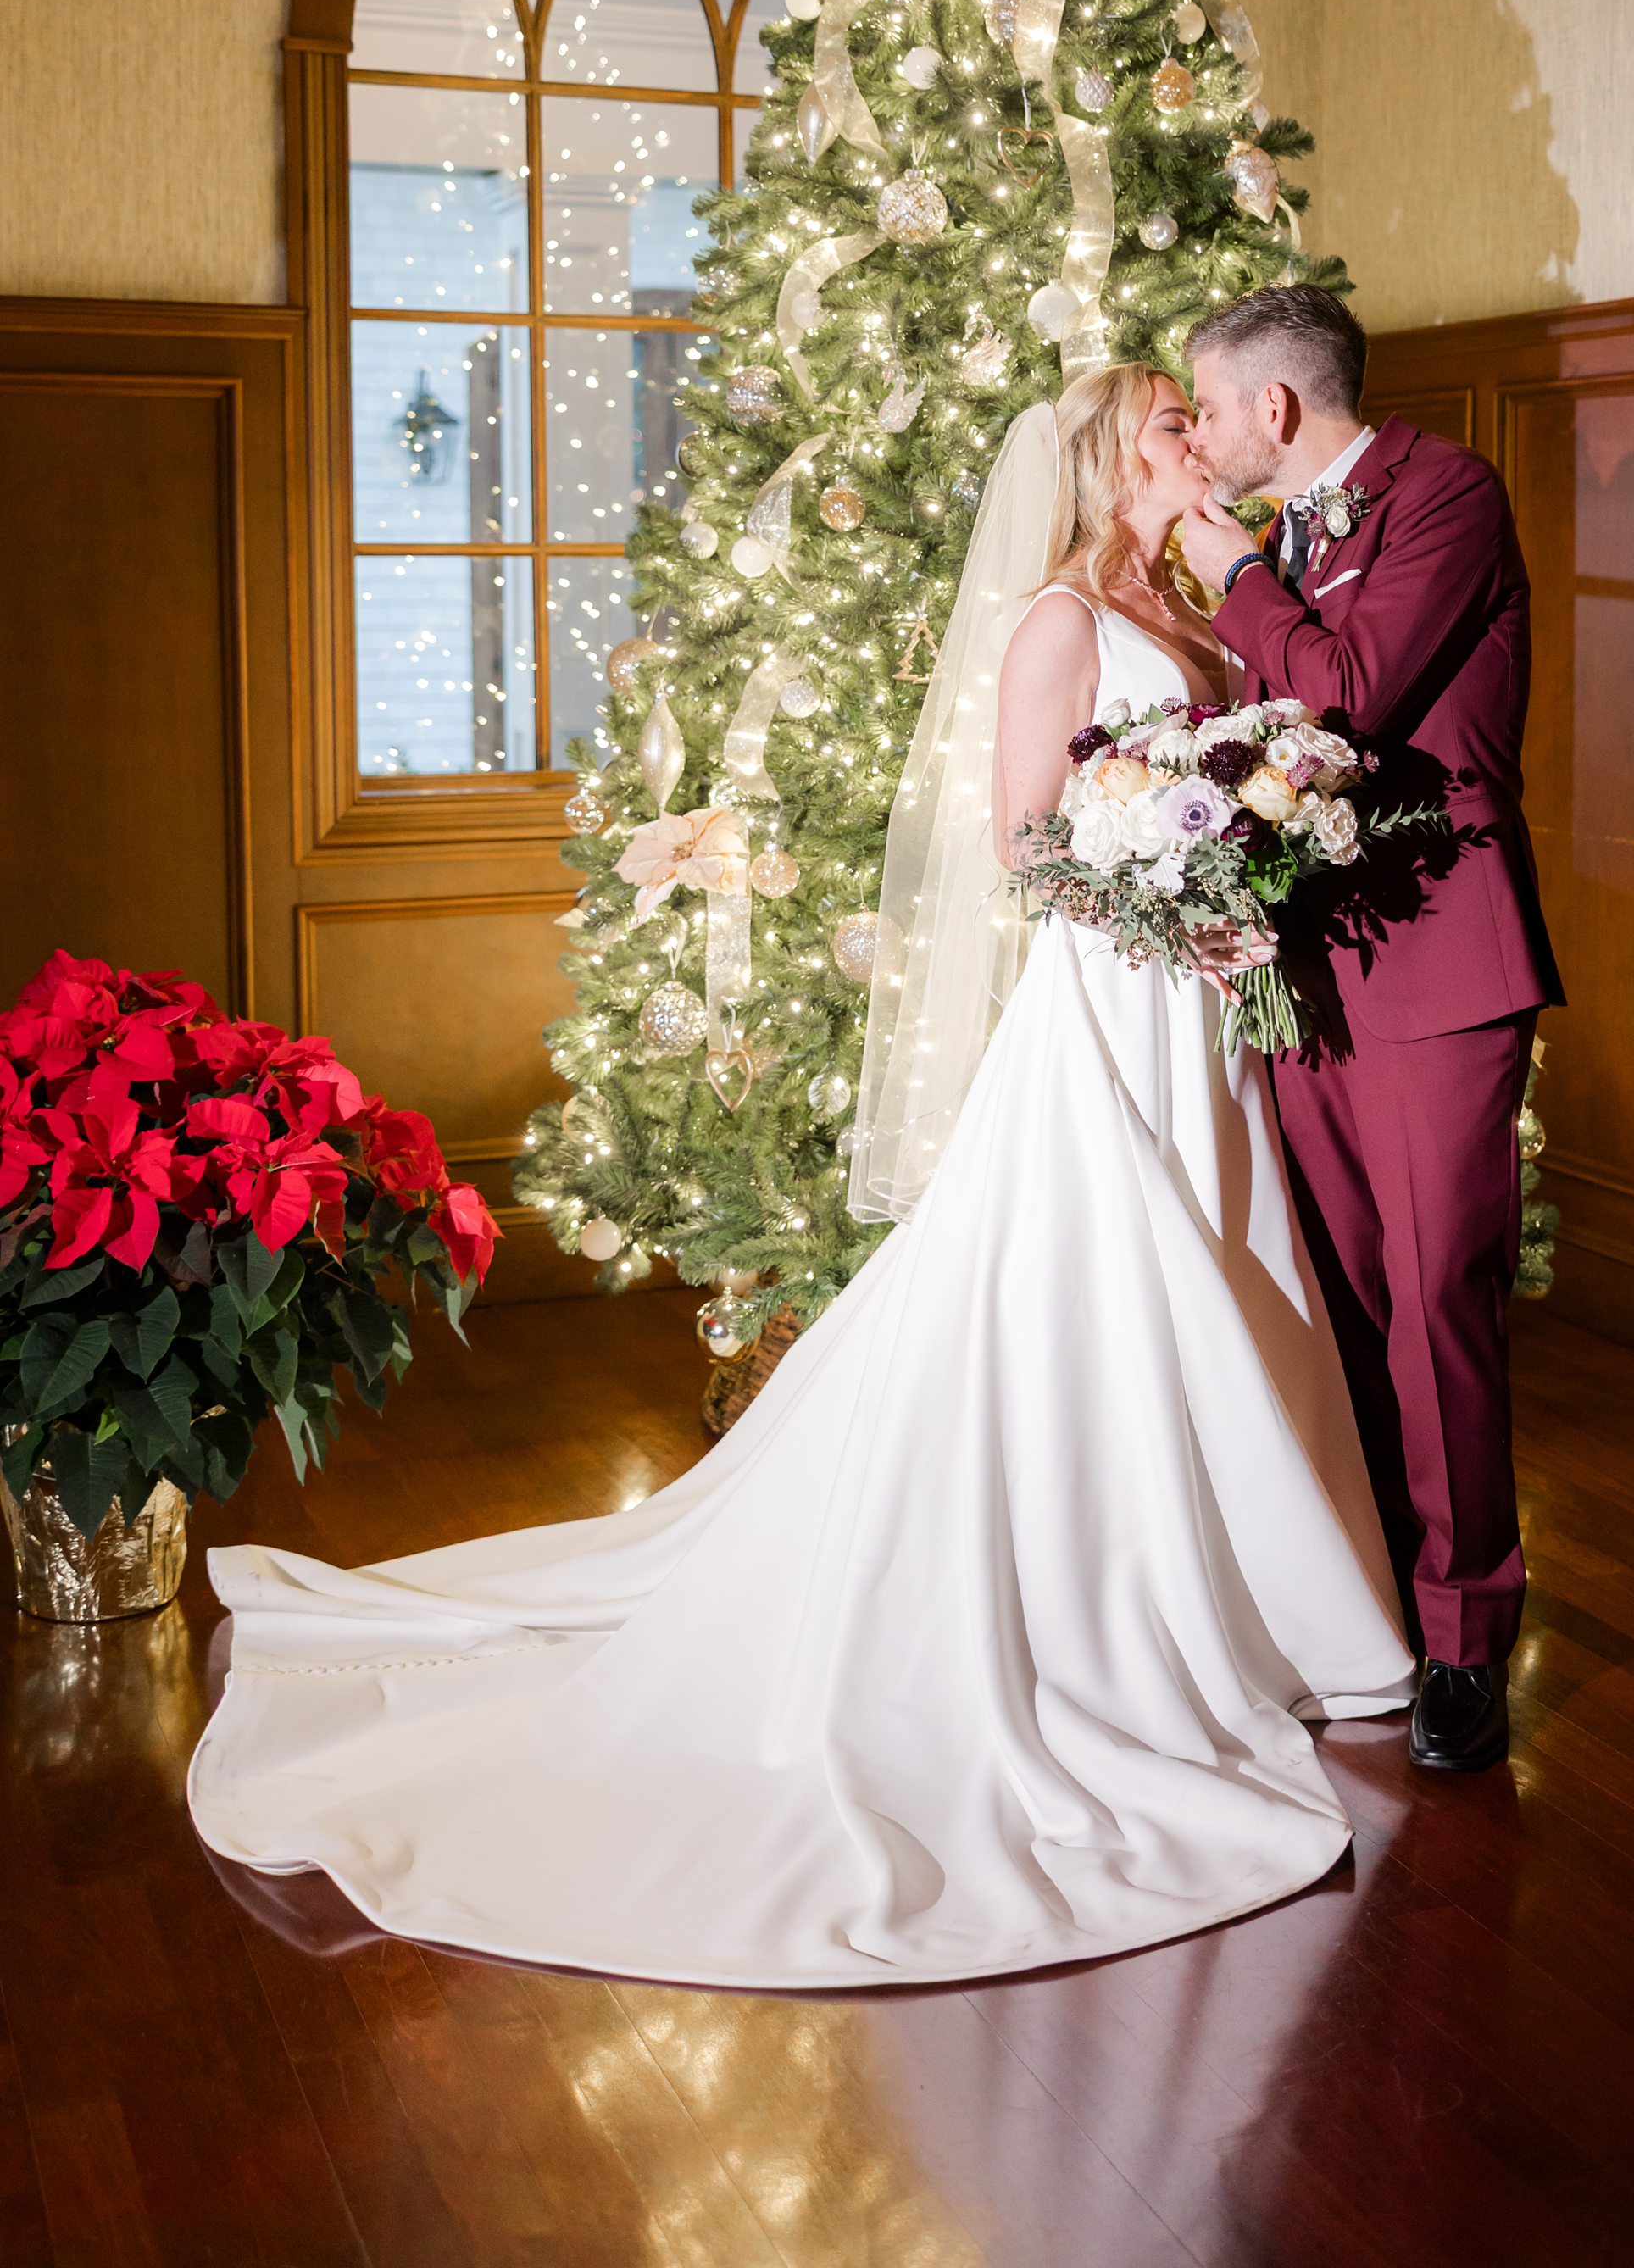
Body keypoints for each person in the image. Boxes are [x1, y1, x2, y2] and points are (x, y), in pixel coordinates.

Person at [188, 365, 1415, 1991]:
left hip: (1199, 1010)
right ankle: (1128, 1616)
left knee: (1225, 1265)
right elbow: (1025, 843)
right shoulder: (1059, 618)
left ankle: (1261, 1595)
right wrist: (1163, 890)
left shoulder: (1193, 606)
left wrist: (1237, 852)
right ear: (1111, 457)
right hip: (1113, 1003)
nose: (1199, 443)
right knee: (1116, 1283)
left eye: (1198, 422)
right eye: (1170, 428)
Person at [1176, 286, 1563, 1775]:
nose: (1204, 443)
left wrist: (1233, 577)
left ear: (1276, 409)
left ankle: (1469, 1635)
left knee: (1438, 1300)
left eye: (1211, 410)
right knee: (1337, 1302)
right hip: (1303, 969)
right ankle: (1372, 1610)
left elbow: (1347, 689)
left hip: (1442, 970)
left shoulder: (1447, 492)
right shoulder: (1277, 539)